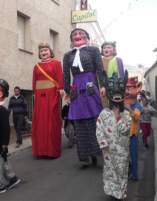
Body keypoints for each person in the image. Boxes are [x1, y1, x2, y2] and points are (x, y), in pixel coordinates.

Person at [63, 28, 105, 170]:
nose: (78, 35)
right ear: (71, 39)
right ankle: (84, 158)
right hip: (76, 86)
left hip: (90, 83)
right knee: (79, 120)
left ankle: (95, 152)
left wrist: (103, 85)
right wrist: (67, 91)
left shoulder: (93, 51)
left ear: (86, 37)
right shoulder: (67, 55)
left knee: (94, 118)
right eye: (74, 34)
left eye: (81, 34)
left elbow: (99, 69)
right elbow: (66, 75)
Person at [96, 70, 131, 200]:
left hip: (122, 149)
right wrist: (103, 143)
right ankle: (112, 192)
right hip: (109, 149)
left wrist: (118, 117)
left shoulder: (126, 114)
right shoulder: (104, 114)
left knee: (121, 170)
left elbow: (125, 130)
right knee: (110, 171)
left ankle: (121, 193)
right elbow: (99, 129)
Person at [31, 43, 64, 159]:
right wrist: (35, 93)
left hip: (51, 93)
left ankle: (52, 151)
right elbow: (34, 81)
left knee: (51, 120)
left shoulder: (56, 63)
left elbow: (59, 77)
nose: (43, 53)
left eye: (45, 50)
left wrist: (61, 89)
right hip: (40, 96)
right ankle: (41, 151)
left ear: (50, 52)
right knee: (40, 121)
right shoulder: (36, 66)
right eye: (41, 51)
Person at [124, 76, 143, 182]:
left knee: (134, 155)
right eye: (126, 88)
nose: (127, 91)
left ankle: (135, 175)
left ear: (137, 89)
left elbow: (136, 117)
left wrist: (129, 108)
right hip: (124, 133)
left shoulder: (138, 105)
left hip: (133, 134)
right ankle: (129, 168)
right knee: (124, 154)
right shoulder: (122, 103)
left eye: (130, 88)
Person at [100, 41, 125, 108]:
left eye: (109, 47)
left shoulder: (117, 60)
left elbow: (121, 75)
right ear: (102, 50)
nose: (106, 49)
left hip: (114, 88)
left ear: (114, 49)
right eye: (104, 48)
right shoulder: (99, 60)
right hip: (101, 87)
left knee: (113, 106)